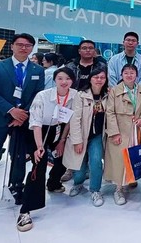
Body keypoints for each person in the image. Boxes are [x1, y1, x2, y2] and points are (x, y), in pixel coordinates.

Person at [0, 33, 46, 220]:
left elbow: (38, 94)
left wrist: (22, 114)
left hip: (23, 120)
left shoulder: (37, 70)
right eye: (20, 44)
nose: (23, 48)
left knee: (19, 158)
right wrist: (11, 110)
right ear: (12, 46)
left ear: (32, 48)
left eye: (28, 45)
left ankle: (16, 188)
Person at [15, 67, 78, 232]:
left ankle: (53, 183)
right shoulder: (42, 96)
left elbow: (70, 120)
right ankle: (25, 211)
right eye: (60, 78)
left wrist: (62, 141)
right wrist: (39, 147)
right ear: (54, 80)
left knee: (64, 158)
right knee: (39, 166)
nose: (64, 82)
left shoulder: (75, 95)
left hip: (59, 130)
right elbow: (35, 122)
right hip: (39, 132)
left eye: (68, 79)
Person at [63, 67, 108, 207]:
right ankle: (78, 183)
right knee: (80, 164)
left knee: (96, 161)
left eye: (102, 77)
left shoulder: (108, 96)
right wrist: (77, 140)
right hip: (82, 135)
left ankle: (95, 190)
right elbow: (75, 119)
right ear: (90, 79)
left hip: (97, 135)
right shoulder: (81, 95)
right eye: (96, 77)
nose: (99, 80)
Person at [104, 63, 141, 206]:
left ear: (137, 75)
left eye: (132, 72)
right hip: (120, 130)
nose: (129, 75)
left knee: (133, 157)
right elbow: (110, 112)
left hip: (136, 130)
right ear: (121, 75)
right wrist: (114, 133)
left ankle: (130, 179)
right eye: (126, 73)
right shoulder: (114, 90)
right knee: (119, 161)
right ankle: (118, 189)